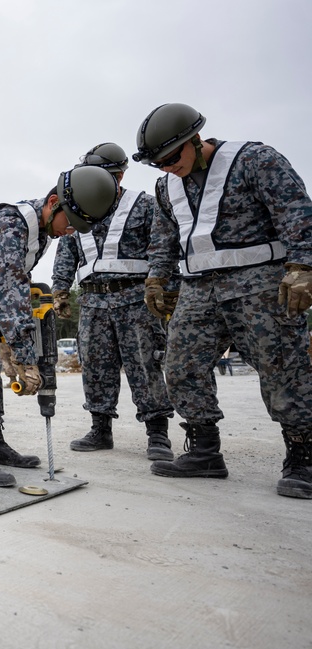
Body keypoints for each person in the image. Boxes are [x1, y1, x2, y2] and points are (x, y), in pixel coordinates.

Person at [133, 102, 312, 499]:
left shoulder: (255, 160)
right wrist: (156, 279)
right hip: (198, 291)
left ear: (195, 140)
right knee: (180, 366)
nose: (167, 167)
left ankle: (303, 457)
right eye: (157, 163)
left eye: (172, 157)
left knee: (283, 367)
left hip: (260, 285)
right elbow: (164, 237)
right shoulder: (167, 186)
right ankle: (204, 451)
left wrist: (302, 267)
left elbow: (297, 213)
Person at [0, 165, 120, 487]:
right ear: (53, 202)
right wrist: (26, 355)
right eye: (69, 222)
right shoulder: (9, 228)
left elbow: (15, 284)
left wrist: (13, 345)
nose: (70, 231)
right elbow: (6, 292)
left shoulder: (41, 232)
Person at [51, 143, 175, 460]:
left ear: (118, 176)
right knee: (94, 365)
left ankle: (158, 434)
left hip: (136, 297)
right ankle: (100, 429)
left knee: (144, 363)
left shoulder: (146, 205)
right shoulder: (79, 207)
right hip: (93, 299)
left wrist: (166, 289)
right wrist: (60, 288)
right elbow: (67, 250)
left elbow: (164, 248)